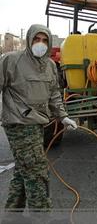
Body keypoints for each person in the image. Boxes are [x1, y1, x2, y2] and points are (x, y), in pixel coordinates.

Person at [0, 24, 77, 214]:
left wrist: (63, 117)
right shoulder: (10, 60)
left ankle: (12, 214)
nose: (40, 44)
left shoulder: (50, 65)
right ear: (29, 40)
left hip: (38, 123)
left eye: (44, 40)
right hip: (18, 123)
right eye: (36, 39)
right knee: (37, 171)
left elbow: (54, 94)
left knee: (23, 169)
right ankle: (42, 218)